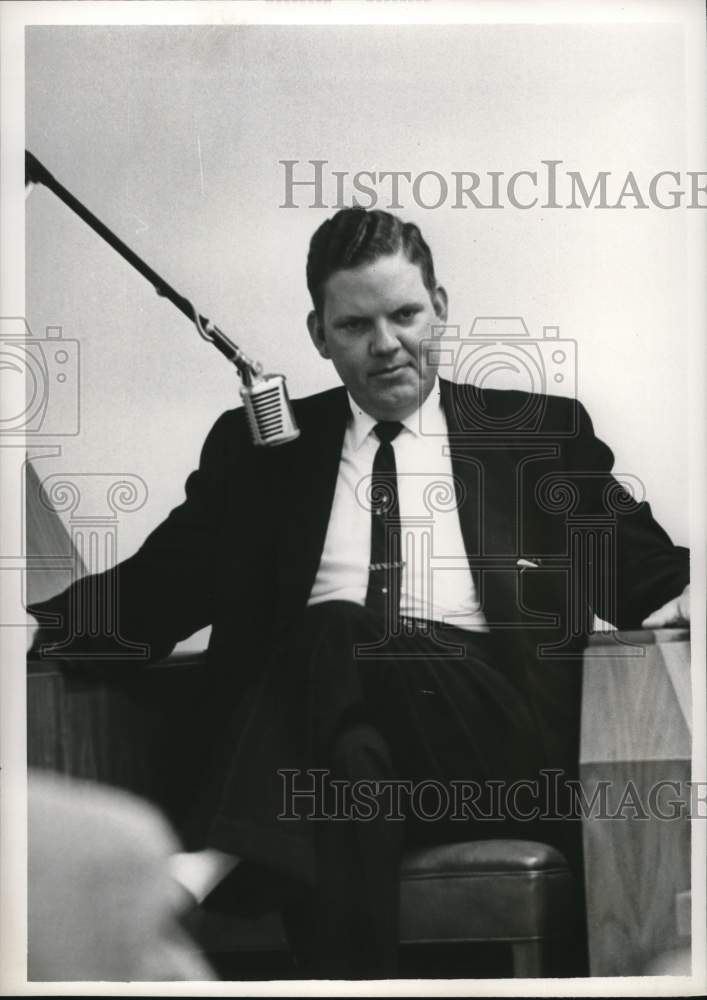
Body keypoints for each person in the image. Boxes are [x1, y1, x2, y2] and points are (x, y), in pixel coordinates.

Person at [29, 208, 690, 979]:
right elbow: (155, 593)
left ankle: (218, 853)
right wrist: (25, 627)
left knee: (336, 626)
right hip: (328, 756)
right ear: (318, 333)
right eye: (355, 325)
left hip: (492, 755)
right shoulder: (262, 457)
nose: (386, 345)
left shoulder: (532, 435)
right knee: (350, 760)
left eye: (405, 314)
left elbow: (650, 578)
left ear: (439, 305)